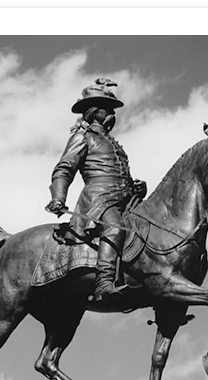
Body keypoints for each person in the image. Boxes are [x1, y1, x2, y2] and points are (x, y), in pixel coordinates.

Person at [46, 78, 146, 304]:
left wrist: (139, 188)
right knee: (114, 228)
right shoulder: (82, 137)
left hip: (127, 200)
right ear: (93, 112)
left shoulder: (113, 143)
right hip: (99, 201)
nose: (112, 113)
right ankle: (104, 283)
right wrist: (58, 197)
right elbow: (64, 168)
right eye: (106, 108)